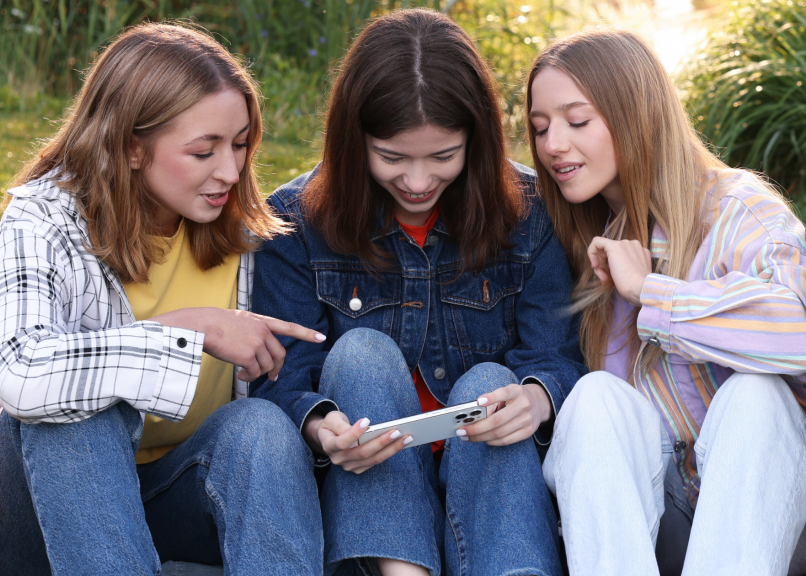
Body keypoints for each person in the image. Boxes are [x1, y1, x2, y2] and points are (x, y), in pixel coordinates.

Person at [0, 23, 326, 576]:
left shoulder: (249, 232)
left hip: (170, 496)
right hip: (25, 510)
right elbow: (21, 370)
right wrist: (191, 329)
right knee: (79, 409)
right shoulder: (44, 220)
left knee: (261, 430)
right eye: (203, 151)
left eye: (241, 144)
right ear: (130, 147)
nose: (231, 170)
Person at [250, 9, 585, 576]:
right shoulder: (295, 220)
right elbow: (282, 373)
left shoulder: (530, 212)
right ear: (354, 142)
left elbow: (557, 353)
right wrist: (319, 424)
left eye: (443, 157)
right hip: (367, 498)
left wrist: (536, 398)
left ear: (475, 143)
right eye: (392, 157)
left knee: (492, 384)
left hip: (489, 488)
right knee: (360, 354)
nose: (418, 181)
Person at [527, 28, 806, 576]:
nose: (553, 144)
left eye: (577, 121)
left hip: (775, 516)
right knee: (595, 397)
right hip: (663, 523)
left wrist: (654, 295)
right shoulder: (577, 241)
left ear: (636, 115)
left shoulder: (737, 210)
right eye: (540, 128)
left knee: (756, 394)